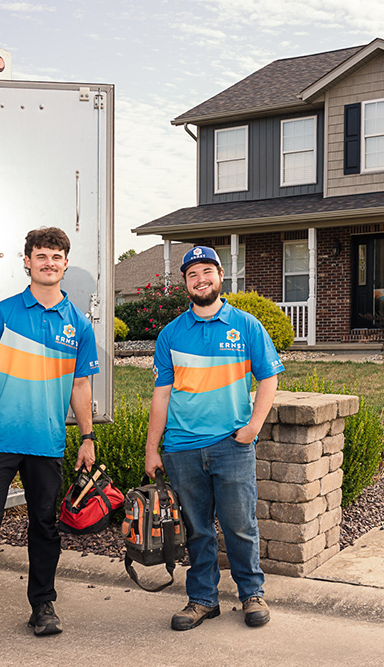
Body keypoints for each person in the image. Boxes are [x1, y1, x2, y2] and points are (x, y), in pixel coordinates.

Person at [0, 227, 100, 650]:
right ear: (27, 262)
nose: (49, 263)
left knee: (45, 528)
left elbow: (80, 387)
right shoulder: (2, 314)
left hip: (46, 442)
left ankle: (43, 606)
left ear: (65, 264)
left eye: (56, 257)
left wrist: (87, 437)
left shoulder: (78, 326)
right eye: (41, 256)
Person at [145, 246, 284, 631]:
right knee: (198, 529)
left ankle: (251, 594)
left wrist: (254, 426)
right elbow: (161, 395)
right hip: (181, 448)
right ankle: (203, 599)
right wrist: (151, 447)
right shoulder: (171, 334)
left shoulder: (246, 325)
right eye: (192, 274)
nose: (200, 279)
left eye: (207, 271)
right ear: (185, 283)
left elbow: (269, 378)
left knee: (240, 525)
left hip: (231, 445)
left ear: (221, 276)